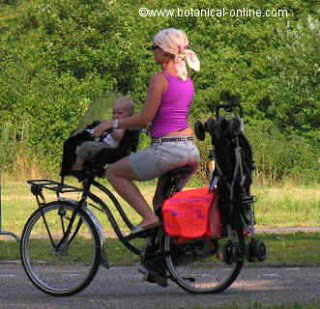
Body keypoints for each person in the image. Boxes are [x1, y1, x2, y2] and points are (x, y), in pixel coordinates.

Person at [93, 28, 201, 234]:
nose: (153, 52)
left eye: (155, 48)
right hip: (190, 151)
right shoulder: (187, 81)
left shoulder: (159, 79)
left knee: (114, 172)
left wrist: (112, 124)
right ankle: (166, 254)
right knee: (162, 203)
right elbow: (169, 115)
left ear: (166, 51)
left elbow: (144, 120)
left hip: (168, 150)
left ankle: (147, 218)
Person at [72, 96, 134, 171]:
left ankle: (78, 166)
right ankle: (82, 163)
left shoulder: (123, 126)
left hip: (109, 148)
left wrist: (110, 129)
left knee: (86, 146)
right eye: (113, 113)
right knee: (83, 144)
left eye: (119, 113)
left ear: (129, 115)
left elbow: (118, 137)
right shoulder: (115, 123)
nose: (115, 116)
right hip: (104, 144)